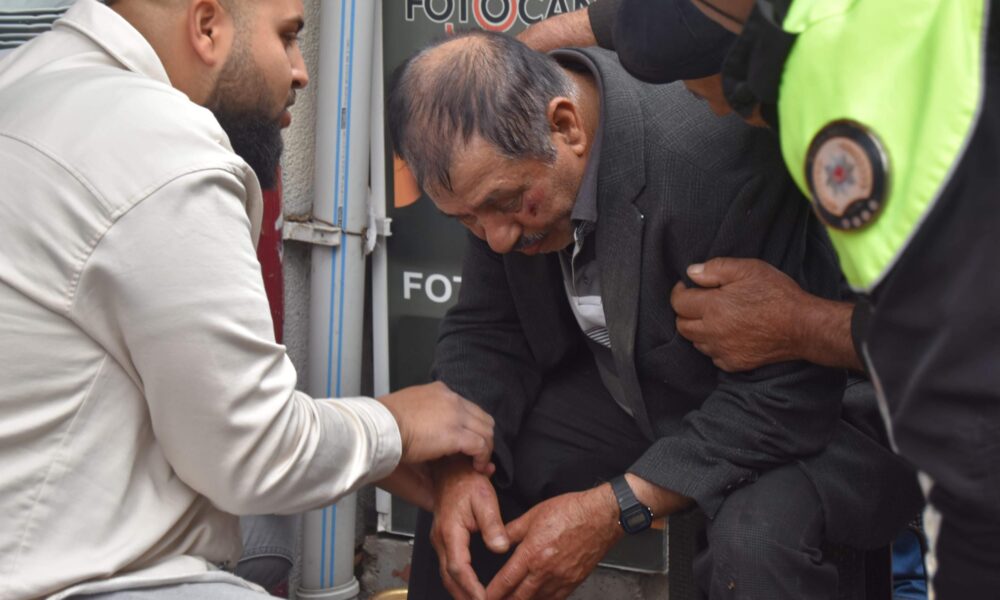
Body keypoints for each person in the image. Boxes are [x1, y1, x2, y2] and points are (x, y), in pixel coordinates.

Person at [387, 31, 921, 600]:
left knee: (756, 543)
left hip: (815, 405)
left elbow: (785, 394)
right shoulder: (498, 179)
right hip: (648, 389)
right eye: (468, 220)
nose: (495, 237)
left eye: (508, 204)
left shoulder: (711, 162)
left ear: (566, 126)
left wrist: (615, 507)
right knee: (474, 473)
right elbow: (489, 331)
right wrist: (457, 468)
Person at [0, 1, 498, 598]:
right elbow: (255, 453)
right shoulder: (160, 148)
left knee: (263, 541)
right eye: (287, 38)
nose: (301, 72)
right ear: (207, 27)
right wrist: (398, 425)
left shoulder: (27, 77)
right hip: (52, 575)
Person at [524, 1, 1000, 596]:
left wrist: (801, 325)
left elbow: (958, 345)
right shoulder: (760, 31)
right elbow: (649, 18)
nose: (706, 109)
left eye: (701, 89)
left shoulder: (840, 109)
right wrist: (519, 57)